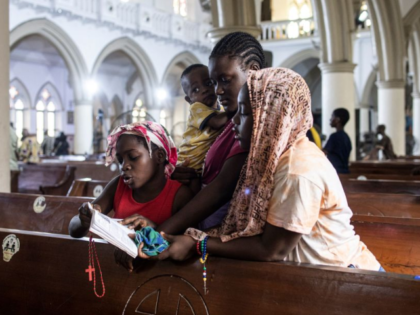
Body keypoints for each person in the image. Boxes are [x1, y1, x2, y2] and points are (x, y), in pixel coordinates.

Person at [155, 68, 381, 272]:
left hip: (348, 279)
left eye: (243, 113)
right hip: (314, 277)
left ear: (270, 117)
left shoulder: (297, 169)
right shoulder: (270, 159)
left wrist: (198, 243)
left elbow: (272, 250)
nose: (234, 122)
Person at [117, 32, 265, 271]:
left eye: (224, 80)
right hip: (210, 231)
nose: (216, 91)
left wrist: (159, 232)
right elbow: (213, 179)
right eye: (213, 82)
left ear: (253, 71)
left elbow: (220, 189)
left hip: (225, 240)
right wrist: (194, 177)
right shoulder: (233, 124)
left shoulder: (248, 129)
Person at [68, 121, 194, 240]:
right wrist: (84, 218)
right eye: (120, 160)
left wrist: (153, 229)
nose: (124, 166)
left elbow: (185, 245)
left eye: (133, 157)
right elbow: (73, 229)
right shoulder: (118, 186)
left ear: (159, 156)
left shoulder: (179, 195)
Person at [177, 64, 228, 171]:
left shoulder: (221, 111)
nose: (204, 90)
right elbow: (216, 123)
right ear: (189, 100)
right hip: (189, 162)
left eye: (209, 83)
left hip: (201, 164)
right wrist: (237, 108)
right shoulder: (196, 108)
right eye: (195, 90)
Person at [323, 108, 352, 173]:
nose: (330, 119)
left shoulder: (334, 136)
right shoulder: (346, 137)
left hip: (336, 172)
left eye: (332, 116)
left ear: (338, 120)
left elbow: (323, 153)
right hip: (345, 172)